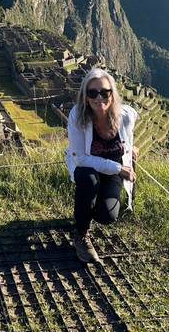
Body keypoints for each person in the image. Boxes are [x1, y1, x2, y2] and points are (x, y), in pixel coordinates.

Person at [65, 67, 137, 263]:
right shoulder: (77, 116)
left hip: (112, 169)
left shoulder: (126, 116)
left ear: (112, 94)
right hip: (87, 167)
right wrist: (119, 169)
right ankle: (81, 233)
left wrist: (131, 149)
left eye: (105, 92)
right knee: (89, 180)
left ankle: (85, 209)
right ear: (85, 96)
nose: (99, 98)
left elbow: (128, 139)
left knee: (107, 216)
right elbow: (80, 158)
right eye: (92, 92)